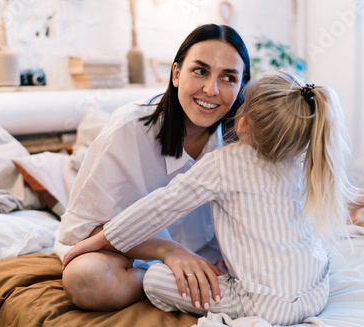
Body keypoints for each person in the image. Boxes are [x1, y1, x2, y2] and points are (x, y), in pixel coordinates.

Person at [62, 69, 355, 325]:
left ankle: (150, 280)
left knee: (154, 278)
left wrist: (99, 240)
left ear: (242, 122)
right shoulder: (304, 161)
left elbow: (159, 207)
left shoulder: (225, 162)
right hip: (317, 290)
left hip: (265, 304)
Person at [57, 23, 251, 311]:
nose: (211, 89)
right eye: (200, 71)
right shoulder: (126, 130)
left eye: (228, 78)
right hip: (128, 257)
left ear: (240, 87)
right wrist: (166, 250)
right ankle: (161, 282)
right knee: (85, 278)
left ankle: (185, 282)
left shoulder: (242, 142)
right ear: (175, 74)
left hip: (211, 262)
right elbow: (83, 231)